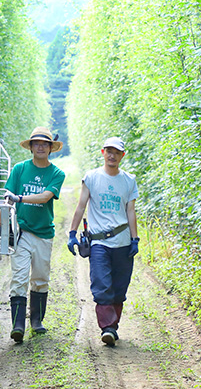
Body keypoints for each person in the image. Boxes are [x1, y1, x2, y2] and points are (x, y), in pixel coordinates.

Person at [68, 136, 139, 346]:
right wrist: (72, 233)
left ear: (122, 156)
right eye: (109, 151)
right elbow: (81, 206)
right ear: (102, 153)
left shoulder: (129, 180)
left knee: (119, 287)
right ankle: (107, 327)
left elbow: (131, 210)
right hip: (99, 242)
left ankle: (113, 327)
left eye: (117, 152)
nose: (112, 155)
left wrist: (135, 239)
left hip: (123, 241)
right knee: (101, 284)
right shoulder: (91, 177)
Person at [4, 126, 65, 343]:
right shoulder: (20, 169)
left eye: (45, 143)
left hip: (43, 234)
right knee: (19, 277)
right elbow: (6, 199)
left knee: (40, 279)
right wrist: (2, 233)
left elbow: (46, 196)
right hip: (21, 232)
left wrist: (20, 198)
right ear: (31, 147)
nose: (40, 146)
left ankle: (36, 321)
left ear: (50, 148)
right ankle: (17, 325)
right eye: (36, 143)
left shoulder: (57, 173)